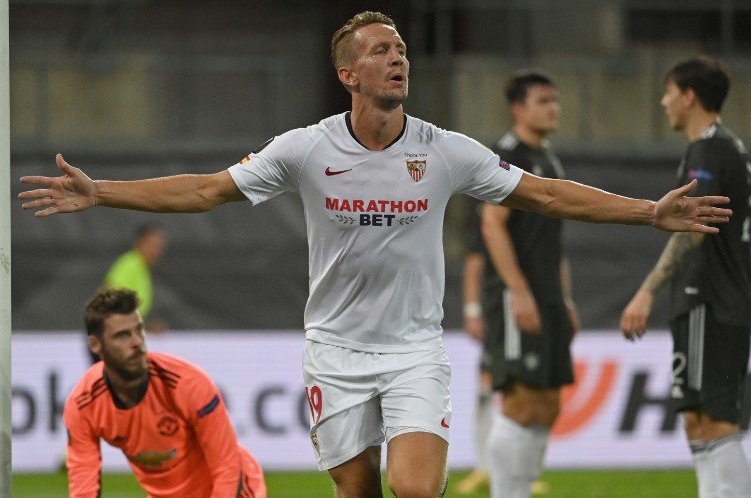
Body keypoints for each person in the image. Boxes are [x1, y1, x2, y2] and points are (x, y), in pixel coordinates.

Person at [20, 11, 732, 498]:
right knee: (357, 489)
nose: (398, 58)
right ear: (349, 75)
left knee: (415, 487)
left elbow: (543, 194)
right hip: (334, 350)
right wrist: (103, 191)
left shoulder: (445, 150)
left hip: (414, 349)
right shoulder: (304, 148)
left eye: (401, 49)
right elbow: (206, 191)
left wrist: (646, 211)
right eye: (379, 50)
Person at [620, 56, 751, 498]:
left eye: (669, 92)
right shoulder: (724, 149)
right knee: (698, 417)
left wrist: (645, 291)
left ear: (689, 96)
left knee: (714, 418)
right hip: (714, 300)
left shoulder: (710, 150)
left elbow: (692, 231)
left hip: (709, 299)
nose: (663, 102)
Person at [64, 288, 267, 498]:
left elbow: (227, 468)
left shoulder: (187, 384)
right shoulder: (83, 404)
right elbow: (83, 486)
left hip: (237, 489)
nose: (136, 342)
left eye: (138, 330)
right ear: (96, 345)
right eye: (122, 335)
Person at [480, 70, 578, 498]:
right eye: (542, 101)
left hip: (549, 294)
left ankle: (520, 488)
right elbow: (492, 224)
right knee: (521, 402)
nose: (552, 108)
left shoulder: (549, 159)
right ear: (518, 108)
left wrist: (565, 297)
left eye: (555, 100)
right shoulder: (507, 155)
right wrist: (518, 291)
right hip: (516, 296)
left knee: (548, 404)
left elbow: (555, 243)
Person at [454, 198, 492, 495]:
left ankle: (520, 468)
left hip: (536, 306)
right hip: (497, 308)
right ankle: (483, 467)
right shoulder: (489, 210)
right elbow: (475, 260)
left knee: (528, 393)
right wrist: (472, 310)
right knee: (488, 387)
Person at [88, 224, 167, 364]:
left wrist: (147, 326)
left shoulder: (142, 269)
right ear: (139, 243)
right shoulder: (130, 264)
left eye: (160, 246)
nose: (157, 250)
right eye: (152, 244)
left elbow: (128, 312)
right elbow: (109, 298)